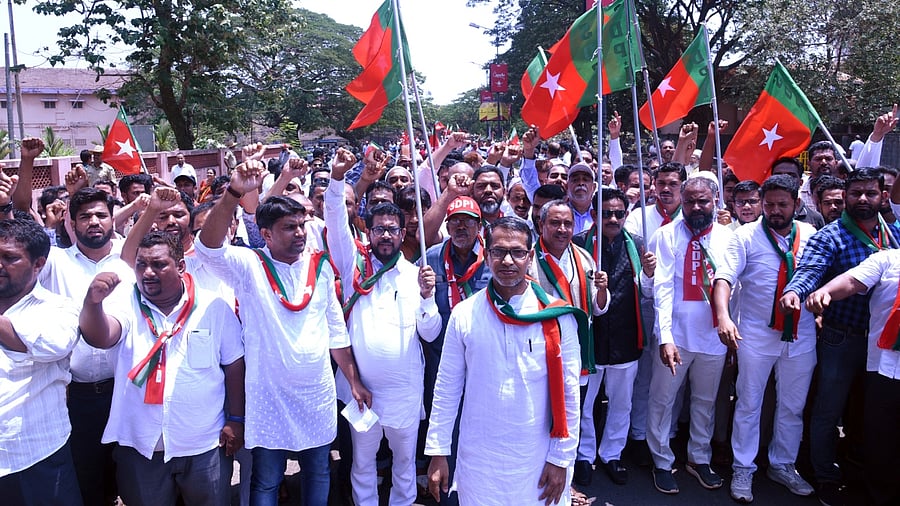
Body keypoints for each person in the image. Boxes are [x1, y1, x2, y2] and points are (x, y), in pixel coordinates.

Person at [195, 159, 370, 505]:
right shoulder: (249, 266)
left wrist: (353, 380)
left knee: (318, 472)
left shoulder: (319, 267)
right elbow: (208, 246)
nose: (301, 233)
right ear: (267, 234)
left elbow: (335, 331)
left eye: (302, 225)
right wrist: (233, 193)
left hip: (316, 396)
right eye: (290, 227)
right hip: (268, 399)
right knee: (266, 481)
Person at [425, 216, 585, 505]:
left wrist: (561, 460)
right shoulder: (465, 314)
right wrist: (438, 452)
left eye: (517, 252)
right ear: (487, 255)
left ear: (530, 256)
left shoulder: (558, 317)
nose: (508, 261)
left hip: (537, 459)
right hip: (480, 461)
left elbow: (570, 394)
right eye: (498, 251)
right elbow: (446, 388)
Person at [78, 231, 245, 506]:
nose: (147, 273)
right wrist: (92, 304)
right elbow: (101, 337)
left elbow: (234, 365)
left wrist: (236, 420)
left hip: (202, 442)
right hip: (141, 444)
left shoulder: (213, 307)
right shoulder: (125, 302)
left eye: (158, 264)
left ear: (180, 266)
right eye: (141, 265)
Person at [326, 148, 441, 506]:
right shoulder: (353, 267)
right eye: (379, 230)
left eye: (393, 229)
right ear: (368, 231)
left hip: (405, 395)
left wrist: (427, 299)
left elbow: (431, 333)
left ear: (403, 230)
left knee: (404, 465)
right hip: (362, 393)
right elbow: (334, 221)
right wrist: (336, 180)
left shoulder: (415, 274)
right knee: (362, 464)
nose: (386, 236)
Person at [780, 167, 900, 506]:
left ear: (883, 197)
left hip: (886, 348)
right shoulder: (830, 236)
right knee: (828, 411)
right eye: (856, 193)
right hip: (842, 338)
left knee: (873, 413)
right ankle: (825, 476)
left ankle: (864, 469)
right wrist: (795, 292)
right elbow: (811, 270)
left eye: (871, 193)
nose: (863, 199)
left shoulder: (893, 235)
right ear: (845, 196)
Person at [713, 175, 817, 502]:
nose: (774, 210)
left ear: (796, 205)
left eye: (781, 205)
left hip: (801, 335)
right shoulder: (745, 236)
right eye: (768, 204)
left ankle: (782, 464)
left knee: (792, 405)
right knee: (749, 402)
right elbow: (724, 278)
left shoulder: (812, 235)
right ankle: (743, 468)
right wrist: (724, 317)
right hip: (756, 335)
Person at [37, 188, 135, 506]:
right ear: (72, 222)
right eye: (85, 216)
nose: (93, 222)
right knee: (87, 480)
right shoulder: (55, 263)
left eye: (100, 215)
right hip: (76, 398)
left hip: (128, 392)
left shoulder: (131, 259)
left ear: (113, 219)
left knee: (137, 481)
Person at [648, 177, 733, 494]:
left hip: (713, 338)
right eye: (690, 202)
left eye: (703, 201)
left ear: (715, 201)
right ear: (681, 203)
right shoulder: (666, 235)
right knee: (662, 400)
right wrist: (665, 337)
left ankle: (699, 459)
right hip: (677, 336)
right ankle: (660, 461)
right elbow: (663, 287)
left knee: (705, 402)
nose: (696, 207)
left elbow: (732, 287)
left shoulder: (728, 237)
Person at [572, 189, 655, 487]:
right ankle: (584, 455)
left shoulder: (639, 245)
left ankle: (612, 454)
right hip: (590, 340)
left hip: (626, 337)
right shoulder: (579, 243)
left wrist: (648, 274)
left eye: (619, 213)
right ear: (594, 215)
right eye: (606, 213)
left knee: (622, 402)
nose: (613, 219)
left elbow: (647, 293)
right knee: (585, 403)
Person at [806, 249, 900, 506]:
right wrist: (825, 292)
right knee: (882, 441)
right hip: (886, 369)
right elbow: (851, 280)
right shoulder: (889, 259)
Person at [0, 219, 82, 505]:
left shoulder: (59, 309)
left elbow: (53, 345)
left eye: (9, 258)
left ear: (38, 264)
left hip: (36, 456)